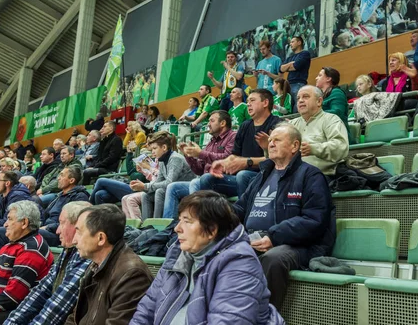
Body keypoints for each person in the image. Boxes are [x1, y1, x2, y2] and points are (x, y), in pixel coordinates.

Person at [131, 191, 284, 325]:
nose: (177, 228)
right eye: (179, 220)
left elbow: (229, 320)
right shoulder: (178, 253)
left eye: (187, 221)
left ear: (211, 230)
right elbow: (147, 309)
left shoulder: (240, 264)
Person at [233, 123, 335, 309]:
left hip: (298, 245)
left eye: (277, 140)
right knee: (221, 251)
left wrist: (274, 236)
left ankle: (264, 318)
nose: (270, 144)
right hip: (255, 239)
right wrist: (212, 220)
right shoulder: (262, 175)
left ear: (295, 146)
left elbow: (314, 220)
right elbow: (239, 208)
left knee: (274, 258)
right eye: (270, 140)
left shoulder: (311, 175)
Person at [4, 201, 91, 325]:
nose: (57, 231)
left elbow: (58, 307)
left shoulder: (86, 256)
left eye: (62, 223)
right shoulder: (68, 252)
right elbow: (41, 291)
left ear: (78, 226)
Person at [65, 205, 153, 325]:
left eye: (79, 233)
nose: (74, 240)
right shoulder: (95, 265)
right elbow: (75, 318)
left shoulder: (132, 275)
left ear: (101, 238)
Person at [201, 89, 283, 198]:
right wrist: (223, 162)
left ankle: (243, 213)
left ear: (265, 103)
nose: (248, 104)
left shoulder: (278, 125)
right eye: (248, 101)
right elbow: (235, 155)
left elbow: (280, 158)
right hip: (241, 178)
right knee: (207, 178)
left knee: (243, 175)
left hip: (267, 176)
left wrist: (247, 162)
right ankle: (213, 214)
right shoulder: (245, 125)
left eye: (252, 100)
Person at [163, 111, 237, 219]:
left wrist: (200, 153)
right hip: (204, 179)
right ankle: (169, 227)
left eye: (212, 121)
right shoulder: (211, 142)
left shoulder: (233, 136)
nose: (208, 124)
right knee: (172, 187)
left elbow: (228, 158)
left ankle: (196, 222)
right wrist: (188, 155)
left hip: (223, 179)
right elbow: (199, 170)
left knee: (196, 182)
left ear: (223, 123)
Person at [116, 131, 195, 219]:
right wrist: (144, 187)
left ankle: (157, 223)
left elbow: (169, 182)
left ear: (164, 147)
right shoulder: (161, 160)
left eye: (154, 148)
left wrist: (145, 186)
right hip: (171, 189)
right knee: (146, 195)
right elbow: (158, 181)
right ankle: (147, 225)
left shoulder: (175, 158)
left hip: (187, 189)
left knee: (159, 192)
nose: (152, 152)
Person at [290, 86, 349, 178]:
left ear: (319, 101)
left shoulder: (331, 120)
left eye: (306, 97)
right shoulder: (291, 124)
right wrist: (267, 148)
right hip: (293, 176)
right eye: (298, 98)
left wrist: (314, 149)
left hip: (322, 175)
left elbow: (340, 147)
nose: (300, 100)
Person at [279, 36, 311, 111]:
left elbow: (296, 66)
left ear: (299, 42)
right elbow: (280, 69)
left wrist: (288, 67)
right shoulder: (290, 57)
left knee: (298, 107)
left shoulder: (305, 54)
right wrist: (290, 64)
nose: (290, 44)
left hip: (299, 83)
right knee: (288, 107)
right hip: (288, 85)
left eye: (292, 42)